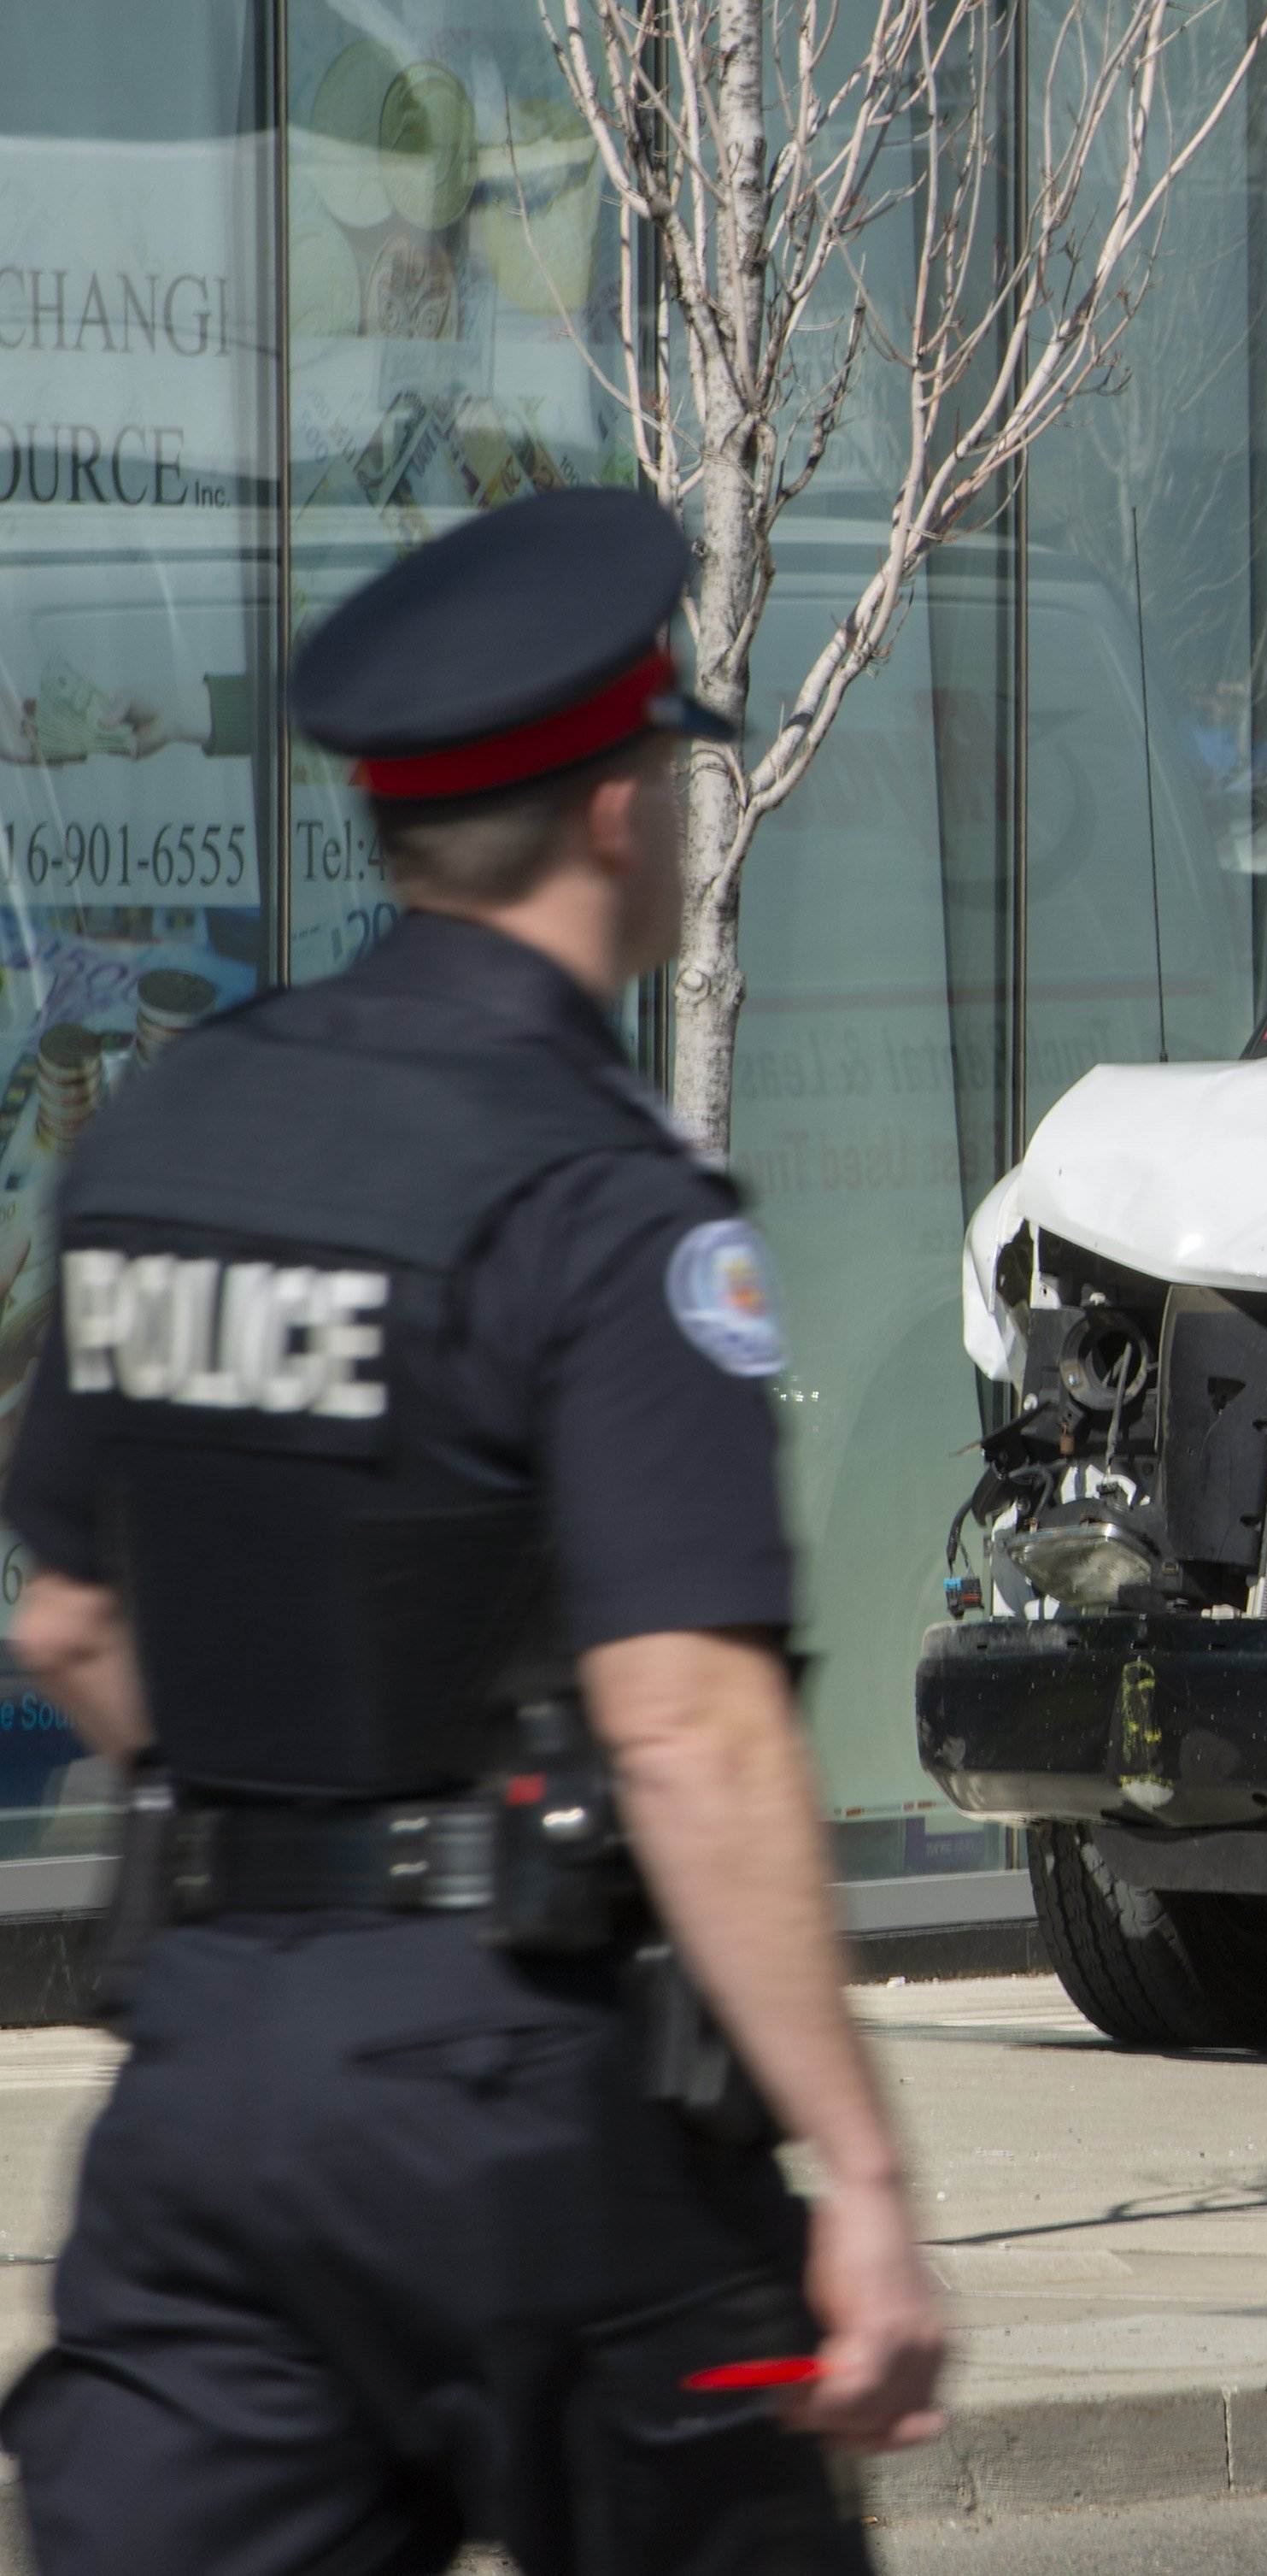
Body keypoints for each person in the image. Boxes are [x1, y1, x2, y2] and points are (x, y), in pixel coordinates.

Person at [0, 487, 948, 2574]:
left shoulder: (167, 1132)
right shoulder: (600, 1204)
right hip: (528, 2111)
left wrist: (286, 1839)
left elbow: (70, 1617)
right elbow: (691, 1729)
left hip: (210, 2084)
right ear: (623, 815)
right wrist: (861, 2174)